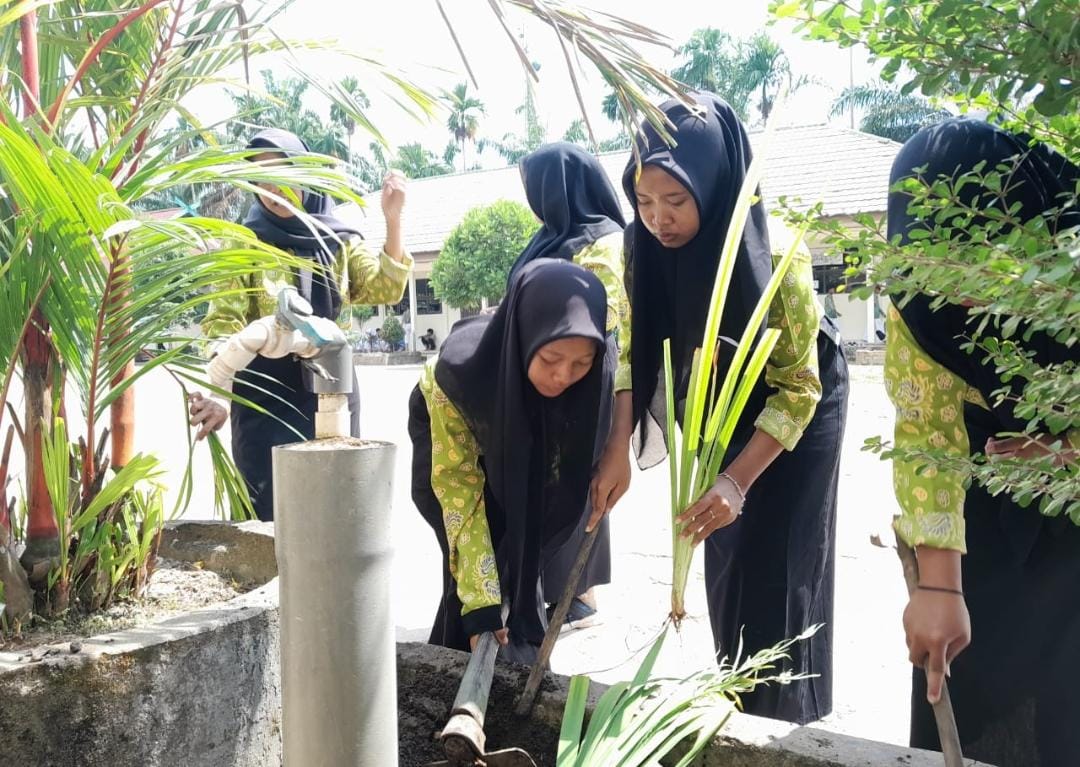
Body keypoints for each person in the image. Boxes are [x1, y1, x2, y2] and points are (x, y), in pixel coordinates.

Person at [595, 92, 849, 724]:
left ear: (714, 184)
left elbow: (800, 387)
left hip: (796, 407)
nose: (659, 219)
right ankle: (741, 700)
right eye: (644, 201)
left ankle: (787, 727)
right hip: (718, 409)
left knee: (781, 564)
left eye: (676, 201)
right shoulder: (643, 249)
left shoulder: (776, 262)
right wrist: (617, 451)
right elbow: (635, 350)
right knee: (729, 557)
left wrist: (737, 480)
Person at [884, 118, 1080, 765]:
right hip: (979, 516)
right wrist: (939, 590)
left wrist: (1065, 453)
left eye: (980, 264)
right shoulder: (917, 302)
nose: (958, 295)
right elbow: (926, 430)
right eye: (935, 268)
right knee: (975, 696)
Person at [189, 128, 412, 521]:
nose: (271, 188)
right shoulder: (244, 243)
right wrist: (217, 388)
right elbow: (221, 323)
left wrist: (393, 221)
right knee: (272, 516)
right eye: (259, 179)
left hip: (332, 390)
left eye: (281, 176)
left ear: (304, 176)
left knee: (335, 509)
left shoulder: (335, 239)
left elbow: (385, 288)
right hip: (263, 397)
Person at [408, 258, 611, 663]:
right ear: (525, 338)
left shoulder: (591, 375)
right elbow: (459, 491)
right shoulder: (455, 382)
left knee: (521, 563)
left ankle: (524, 654)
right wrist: (480, 605)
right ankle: (455, 661)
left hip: (523, 452)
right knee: (470, 587)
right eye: (551, 359)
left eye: (580, 364)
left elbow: (555, 479)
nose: (562, 376)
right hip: (455, 447)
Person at [509, 142, 632, 628]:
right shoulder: (549, 237)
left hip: (585, 376)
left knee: (576, 478)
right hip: (555, 372)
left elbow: (609, 319)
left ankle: (575, 592)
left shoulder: (604, 242)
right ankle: (561, 589)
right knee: (555, 478)